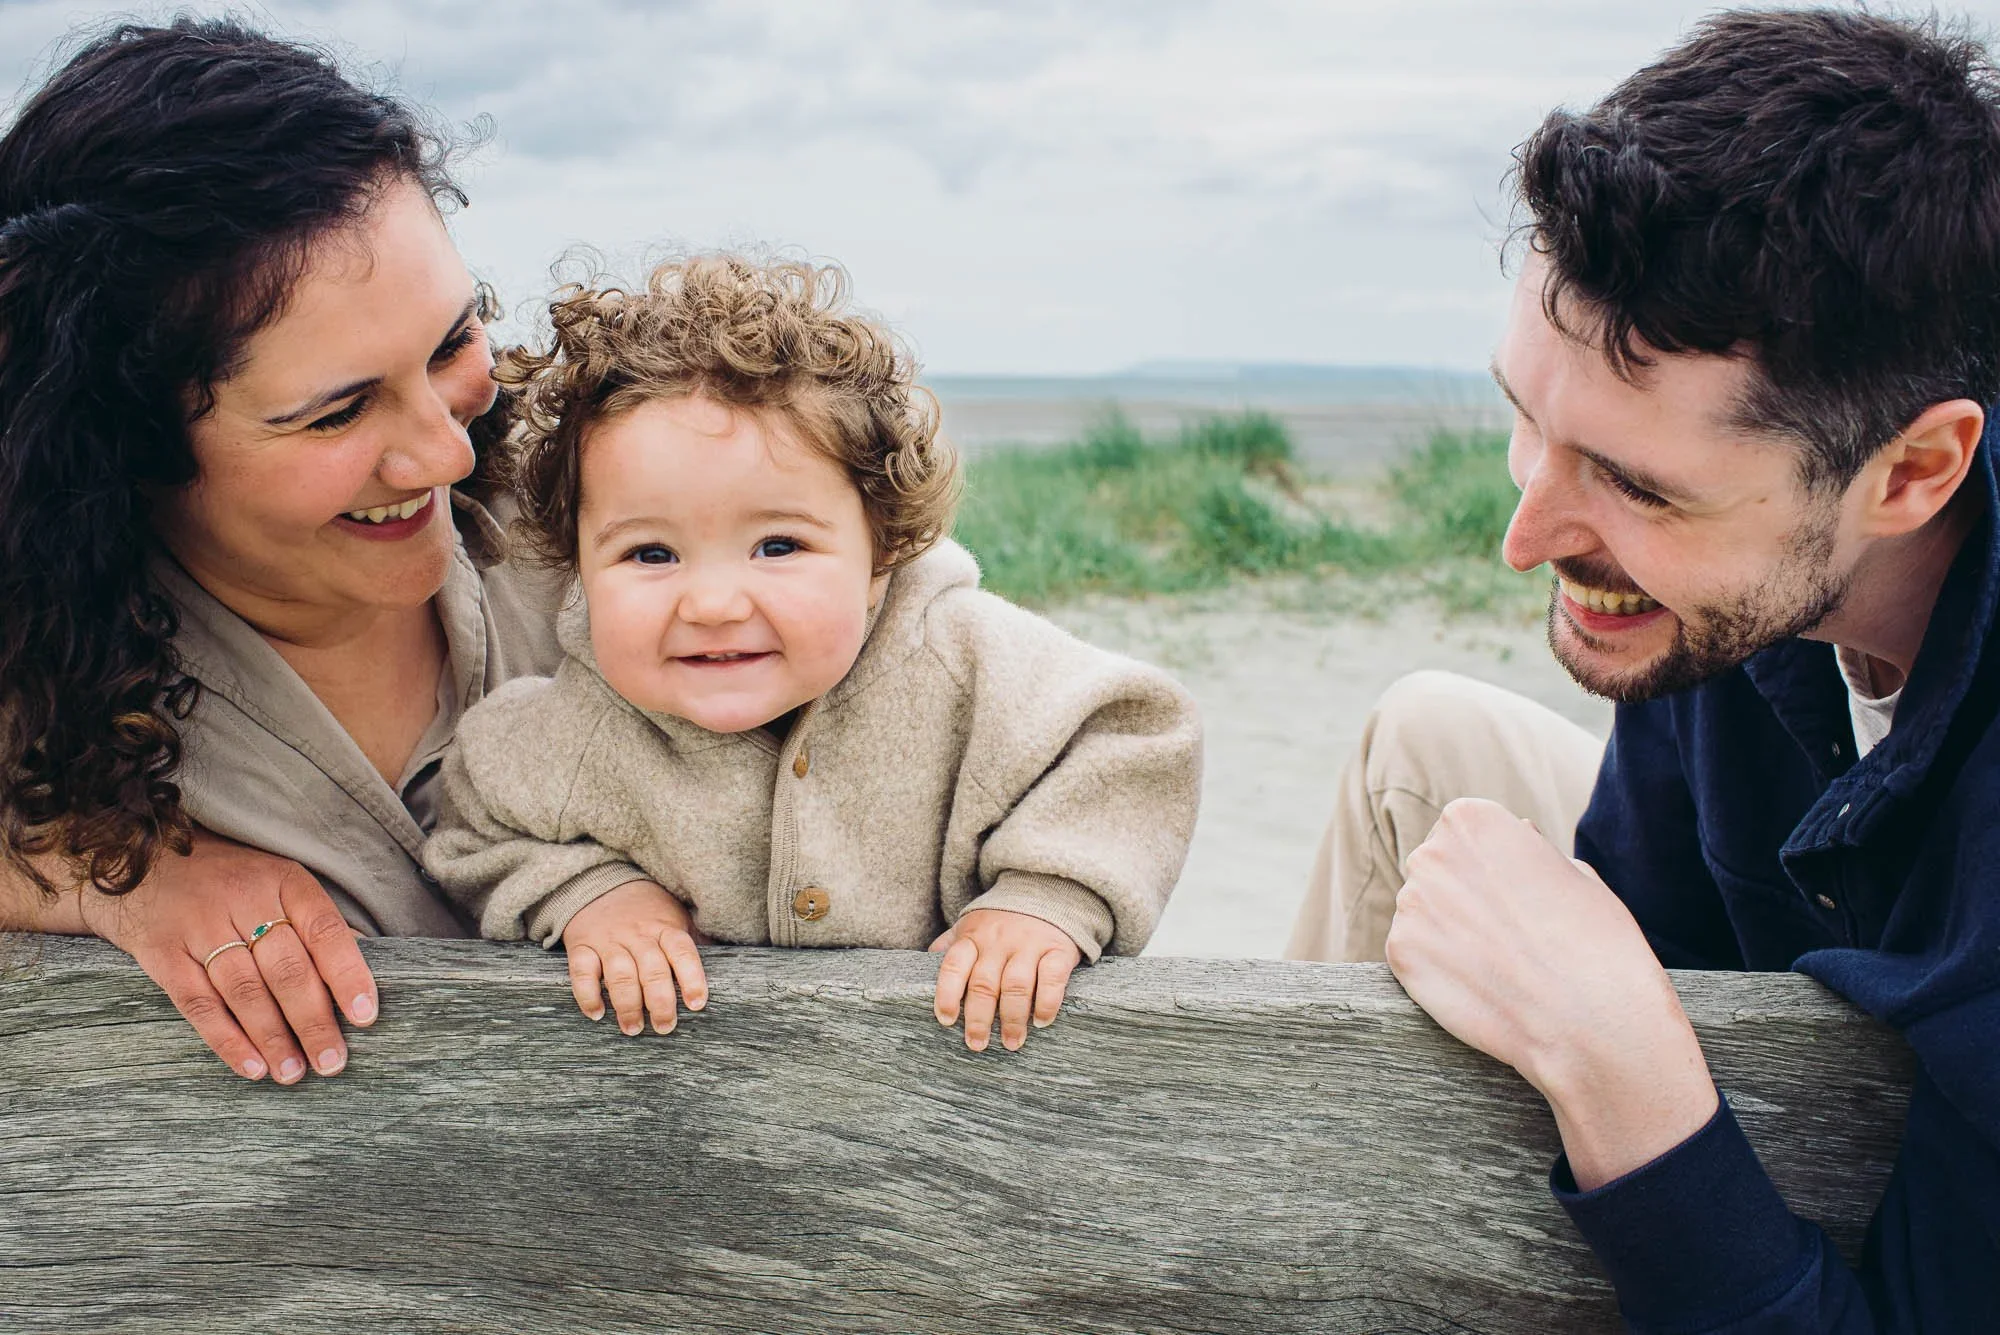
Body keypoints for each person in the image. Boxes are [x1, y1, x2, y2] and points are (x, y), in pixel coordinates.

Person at [1289, 9, 2000, 1330]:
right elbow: (1652, 896)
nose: (1526, 538)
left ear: (1911, 471)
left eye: (1632, 484)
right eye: (1526, 420)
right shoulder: (1738, 594)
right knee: (1425, 733)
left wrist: (1618, 1068)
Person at [420, 255, 1203, 1053]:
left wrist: (1044, 895)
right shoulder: (576, 723)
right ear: (578, 567)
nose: (714, 604)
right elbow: (473, 824)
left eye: (778, 544)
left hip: (957, 1105)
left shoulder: (959, 654)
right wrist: (591, 892)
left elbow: (1133, 733)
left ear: (880, 555)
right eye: (651, 554)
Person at [0, 21, 563, 1085]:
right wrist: (109, 877)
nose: (446, 451)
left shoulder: (610, 518)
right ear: (121, 442)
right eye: (337, 414)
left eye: (452, 340)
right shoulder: (44, 649)